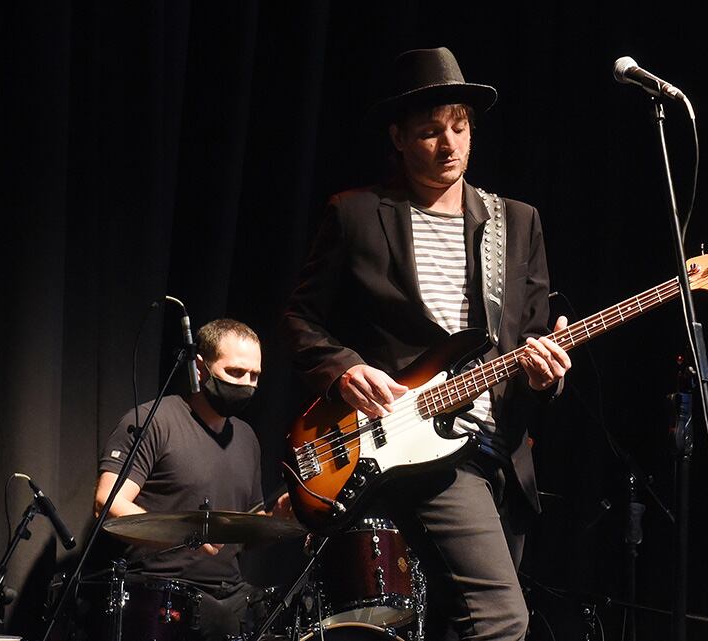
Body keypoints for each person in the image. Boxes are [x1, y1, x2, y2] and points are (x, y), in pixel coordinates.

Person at [282, 47, 571, 640]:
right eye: (430, 132)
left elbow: (530, 338)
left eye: (460, 129)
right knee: (501, 619)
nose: (449, 145)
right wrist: (345, 370)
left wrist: (546, 374)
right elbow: (299, 319)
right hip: (417, 442)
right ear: (397, 137)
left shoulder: (518, 222)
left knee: (454, 624)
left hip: (501, 451)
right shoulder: (357, 214)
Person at [93, 318, 289, 641]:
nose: (246, 384)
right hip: (163, 594)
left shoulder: (247, 438)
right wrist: (187, 535)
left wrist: (278, 519)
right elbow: (107, 503)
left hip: (230, 595)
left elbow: (245, 532)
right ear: (200, 368)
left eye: (254, 376)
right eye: (235, 372)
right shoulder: (156, 421)